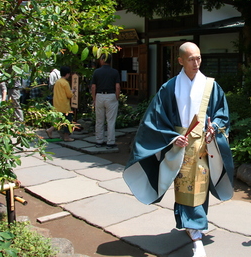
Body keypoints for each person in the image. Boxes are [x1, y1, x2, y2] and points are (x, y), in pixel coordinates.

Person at [123, 42, 234, 257]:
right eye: (191, 59)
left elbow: (221, 113)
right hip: (181, 146)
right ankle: (193, 226)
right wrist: (173, 138)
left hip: (203, 145)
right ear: (180, 61)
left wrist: (214, 130)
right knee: (185, 186)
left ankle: (196, 228)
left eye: (199, 58)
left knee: (199, 184)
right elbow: (155, 119)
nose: (196, 63)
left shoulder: (211, 86)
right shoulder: (170, 87)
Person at [91, 54, 121, 149]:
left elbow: (93, 87)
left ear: (103, 60)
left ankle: (99, 141)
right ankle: (110, 142)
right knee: (111, 121)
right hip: (111, 95)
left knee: (99, 120)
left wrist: (94, 98)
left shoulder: (97, 72)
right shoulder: (115, 72)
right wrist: (117, 96)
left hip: (99, 95)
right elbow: (117, 86)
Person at [46, 66, 74, 142]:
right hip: (64, 105)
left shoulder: (57, 82)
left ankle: (50, 130)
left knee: (59, 120)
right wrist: (72, 92)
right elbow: (69, 95)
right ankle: (66, 136)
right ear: (67, 74)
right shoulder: (65, 83)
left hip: (57, 103)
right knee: (67, 121)